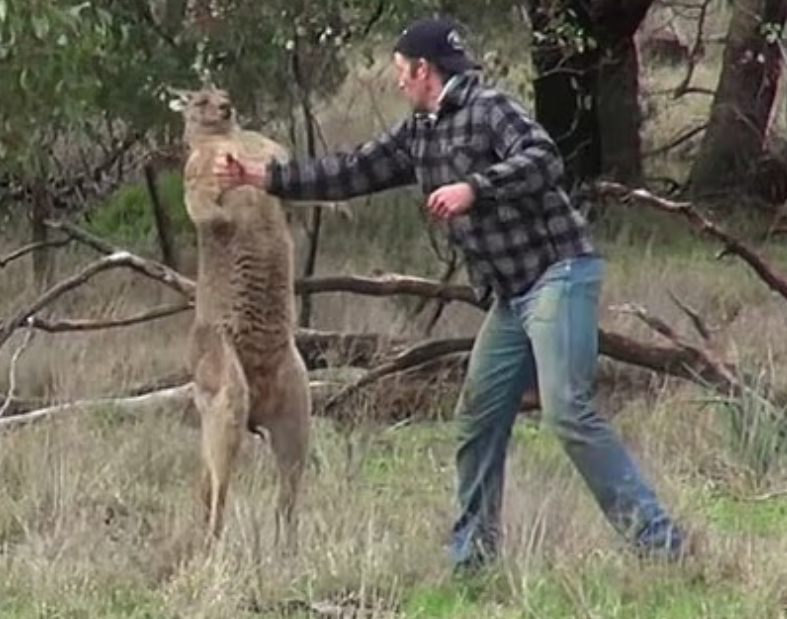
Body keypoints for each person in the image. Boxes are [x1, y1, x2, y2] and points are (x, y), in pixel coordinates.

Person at [212, 16, 687, 570]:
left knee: (567, 412)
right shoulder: (420, 131)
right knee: (479, 415)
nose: (396, 83)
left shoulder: (490, 109)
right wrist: (259, 178)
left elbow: (544, 159)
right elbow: (351, 171)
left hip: (557, 273)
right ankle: (473, 557)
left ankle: (661, 545)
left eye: (399, 72)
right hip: (511, 295)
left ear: (423, 69)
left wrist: (474, 189)